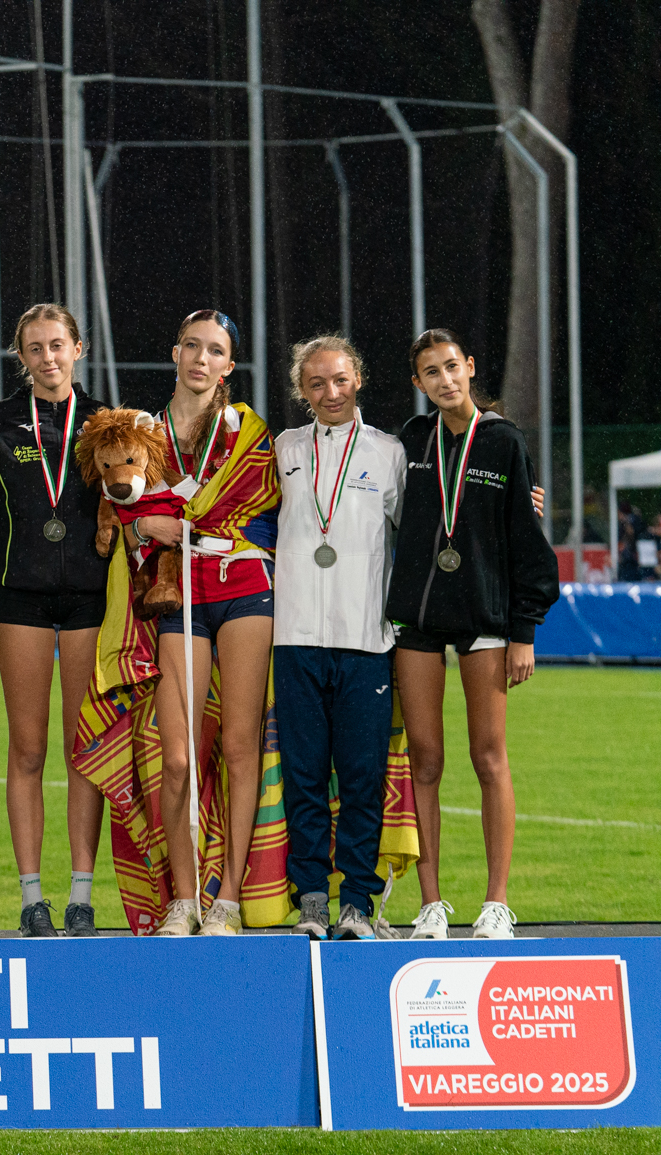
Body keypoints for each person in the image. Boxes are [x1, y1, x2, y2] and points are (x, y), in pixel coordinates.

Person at [387, 329, 559, 941]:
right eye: (431, 372)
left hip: (485, 615)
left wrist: (524, 631)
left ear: (471, 367)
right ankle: (431, 905)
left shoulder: (504, 441)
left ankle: (496, 903)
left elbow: (526, 541)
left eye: (452, 366)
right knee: (425, 760)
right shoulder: (411, 440)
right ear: (418, 382)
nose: (445, 380)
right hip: (418, 618)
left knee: (488, 756)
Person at [137, 309, 281, 937]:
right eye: (191, 346)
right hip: (178, 590)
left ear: (229, 365)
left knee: (241, 748)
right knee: (177, 758)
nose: (201, 358)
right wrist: (143, 525)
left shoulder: (250, 430)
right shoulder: (143, 432)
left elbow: (276, 509)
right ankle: (183, 897)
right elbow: (117, 505)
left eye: (214, 350)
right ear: (175, 353)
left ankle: (228, 900)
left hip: (245, 583)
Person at [0, 303, 110, 937]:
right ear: (20, 356)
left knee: (85, 748)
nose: (47, 357)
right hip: (21, 597)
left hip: (89, 599)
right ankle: (32, 899)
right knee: (27, 749)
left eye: (57, 345)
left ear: (77, 348)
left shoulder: (106, 421)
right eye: (34, 348)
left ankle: (81, 896)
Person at [271, 336, 406, 941]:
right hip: (295, 636)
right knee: (302, 778)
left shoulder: (389, 452)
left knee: (360, 780)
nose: (331, 392)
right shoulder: (283, 448)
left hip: (366, 639)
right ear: (302, 390)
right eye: (317, 383)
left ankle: (356, 902)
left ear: (358, 380)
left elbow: (423, 529)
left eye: (340, 380)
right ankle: (311, 902)